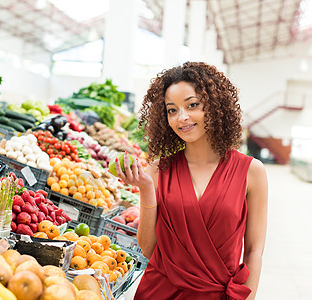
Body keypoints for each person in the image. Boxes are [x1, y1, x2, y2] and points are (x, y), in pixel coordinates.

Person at [113, 61, 268, 300]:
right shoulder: (157, 170)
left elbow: (254, 250)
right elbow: (148, 248)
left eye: (192, 105)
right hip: (158, 292)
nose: (181, 118)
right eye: (171, 110)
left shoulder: (251, 171)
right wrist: (145, 188)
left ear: (215, 106)